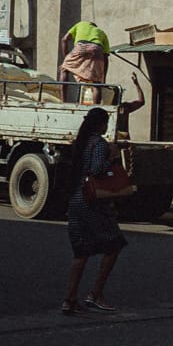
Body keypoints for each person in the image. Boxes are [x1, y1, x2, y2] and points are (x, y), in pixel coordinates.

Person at [62, 106, 127, 315]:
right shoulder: (99, 144)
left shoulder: (81, 142)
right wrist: (113, 157)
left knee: (81, 251)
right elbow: (98, 169)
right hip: (91, 200)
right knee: (114, 243)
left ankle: (70, 299)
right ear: (101, 124)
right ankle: (96, 293)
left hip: (75, 199)